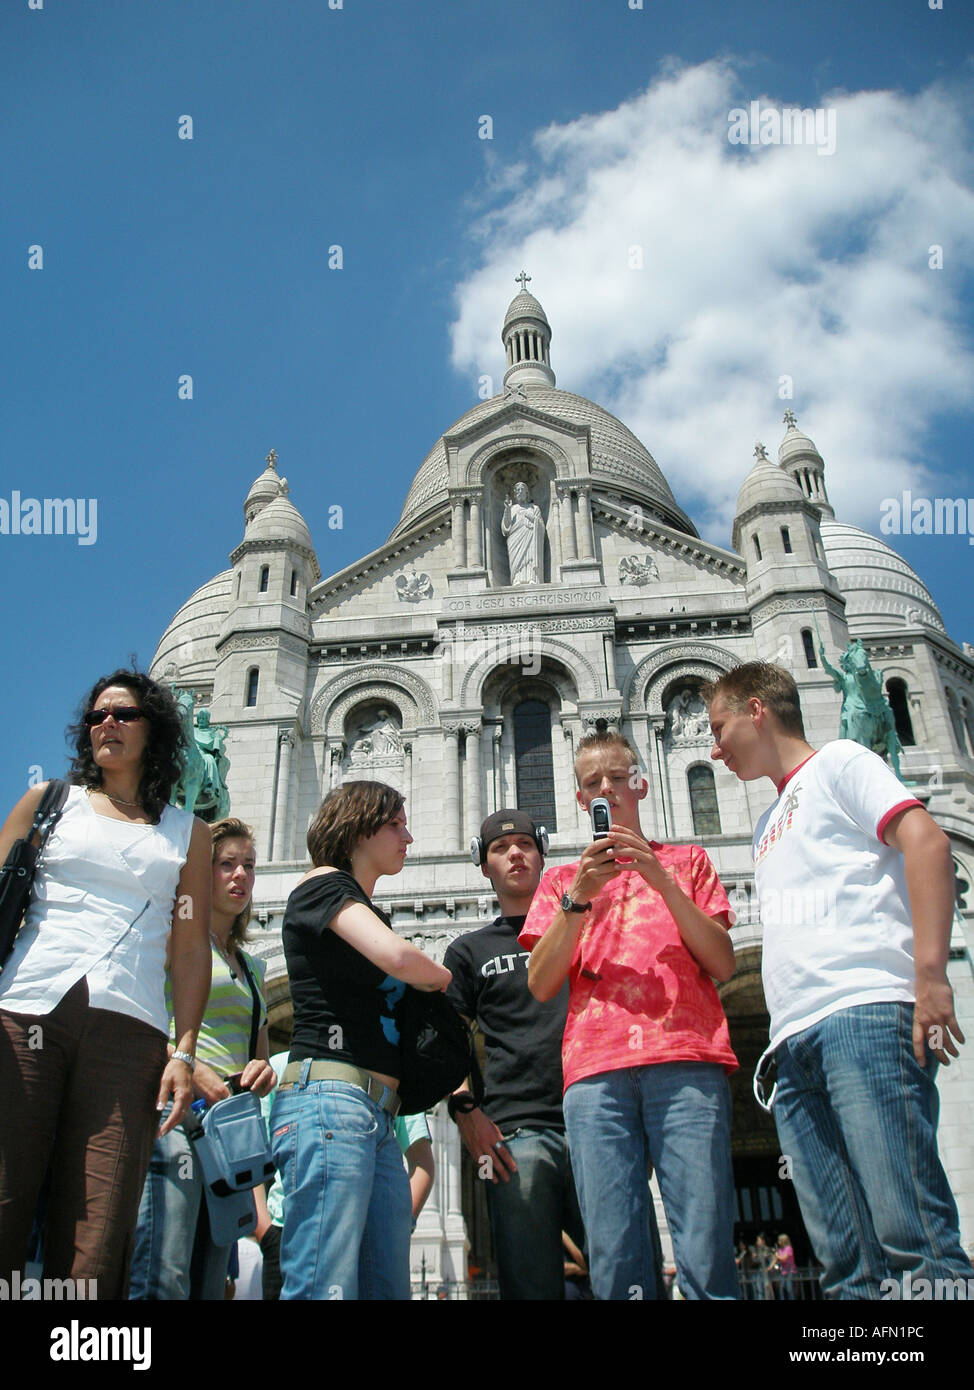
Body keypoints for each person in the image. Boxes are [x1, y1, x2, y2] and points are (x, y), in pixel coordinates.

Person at [705, 660, 972, 1299]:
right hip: (793, 1043)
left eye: (719, 729)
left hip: (865, 1015)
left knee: (914, 1240)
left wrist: (931, 977)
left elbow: (929, 845)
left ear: (756, 710)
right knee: (844, 1263)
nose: (714, 750)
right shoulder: (768, 822)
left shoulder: (843, 761)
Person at [0, 669, 212, 1298]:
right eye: (97, 717)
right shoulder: (44, 802)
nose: (107, 725)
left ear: (157, 731)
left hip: (131, 1030)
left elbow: (191, 944)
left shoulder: (188, 833)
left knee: (100, 1222)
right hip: (24, 1011)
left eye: (123, 714)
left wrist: (184, 1047)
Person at [520, 730, 739, 1301]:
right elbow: (541, 984)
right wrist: (580, 898)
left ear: (640, 783)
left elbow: (721, 960)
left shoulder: (688, 861)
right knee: (615, 1248)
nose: (608, 791)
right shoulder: (560, 882)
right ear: (577, 799)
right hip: (596, 1073)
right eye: (593, 784)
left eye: (618, 778)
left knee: (706, 1237)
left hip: (686, 1060)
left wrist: (659, 879)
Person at [269, 780, 451, 1300]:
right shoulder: (323, 885)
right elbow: (398, 959)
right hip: (330, 1101)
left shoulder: (365, 909)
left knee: (383, 1285)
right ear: (359, 826)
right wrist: (445, 981)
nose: (408, 836)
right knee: (322, 1283)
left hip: (376, 1115)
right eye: (396, 824)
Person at [130, 817, 276, 1300]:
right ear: (200, 871)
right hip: (174, 1116)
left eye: (249, 866)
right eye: (226, 864)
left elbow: (259, 1057)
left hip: (227, 1138)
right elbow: (141, 1017)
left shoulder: (254, 967)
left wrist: (262, 1072)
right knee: (163, 1269)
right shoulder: (173, 938)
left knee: (211, 1282)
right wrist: (188, 1062)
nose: (240, 876)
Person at [444, 809, 586, 1300]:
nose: (515, 854)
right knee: (531, 1286)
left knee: (627, 1272)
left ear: (542, 854)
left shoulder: (580, 925)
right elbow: (446, 1040)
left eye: (525, 844)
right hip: (516, 1132)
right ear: (483, 865)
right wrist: (466, 1114)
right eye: (501, 849)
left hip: (598, 1119)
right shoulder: (469, 951)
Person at [256, 1048, 436, 1300]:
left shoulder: (389, 1076)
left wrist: (398, 1229)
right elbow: (256, 1158)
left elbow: (422, 1162)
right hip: (284, 1230)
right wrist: (265, 1232)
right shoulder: (279, 1066)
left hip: (371, 1237)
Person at [501, 481, 544, 585]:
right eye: (517, 491)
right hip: (515, 539)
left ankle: (532, 578)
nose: (519, 492)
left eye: (522, 490)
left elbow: (541, 527)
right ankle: (517, 579)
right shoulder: (512, 509)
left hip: (530, 537)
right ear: (515, 494)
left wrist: (531, 516)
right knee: (517, 560)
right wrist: (507, 510)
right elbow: (505, 527)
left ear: (526, 493)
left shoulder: (534, 508)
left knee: (530, 557)